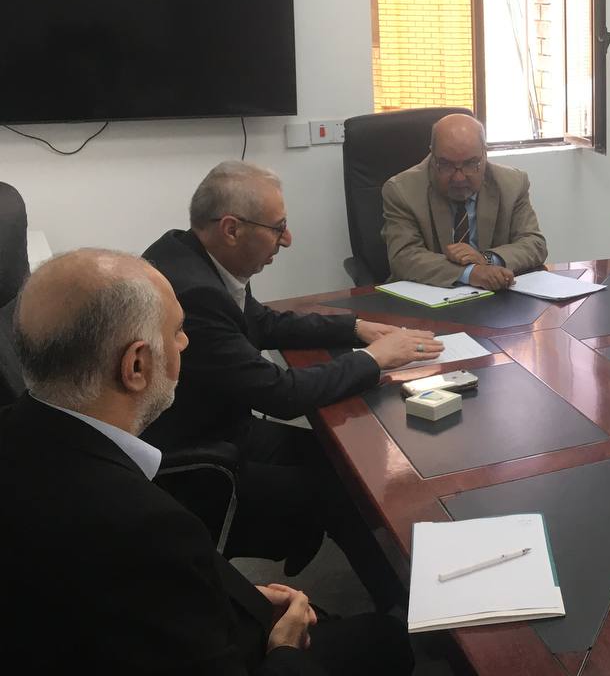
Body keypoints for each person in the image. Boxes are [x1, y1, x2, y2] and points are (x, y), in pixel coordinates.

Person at [0, 249, 413, 675]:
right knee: (386, 642)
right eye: (178, 331)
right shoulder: (148, 525)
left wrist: (238, 598)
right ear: (136, 365)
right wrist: (286, 647)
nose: (185, 343)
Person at [143, 161, 441, 609]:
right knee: (342, 486)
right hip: (195, 458)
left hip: (216, 424)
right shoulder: (195, 293)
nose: (287, 240)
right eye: (277, 228)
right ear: (231, 229)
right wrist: (375, 359)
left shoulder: (190, 254)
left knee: (342, 459)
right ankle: (401, 608)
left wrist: (353, 327)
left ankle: (358, 564)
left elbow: (260, 322)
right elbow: (281, 395)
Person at [382, 112, 548, 289]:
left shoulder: (512, 184)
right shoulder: (402, 191)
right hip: (429, 294)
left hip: (494, 296)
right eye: (446, 165)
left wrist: (486, 259)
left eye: (470, 164)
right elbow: (403, 257)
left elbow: (534, 244)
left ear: (485, 154)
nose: (459, 178)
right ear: (432, 154)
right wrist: (470, 273)